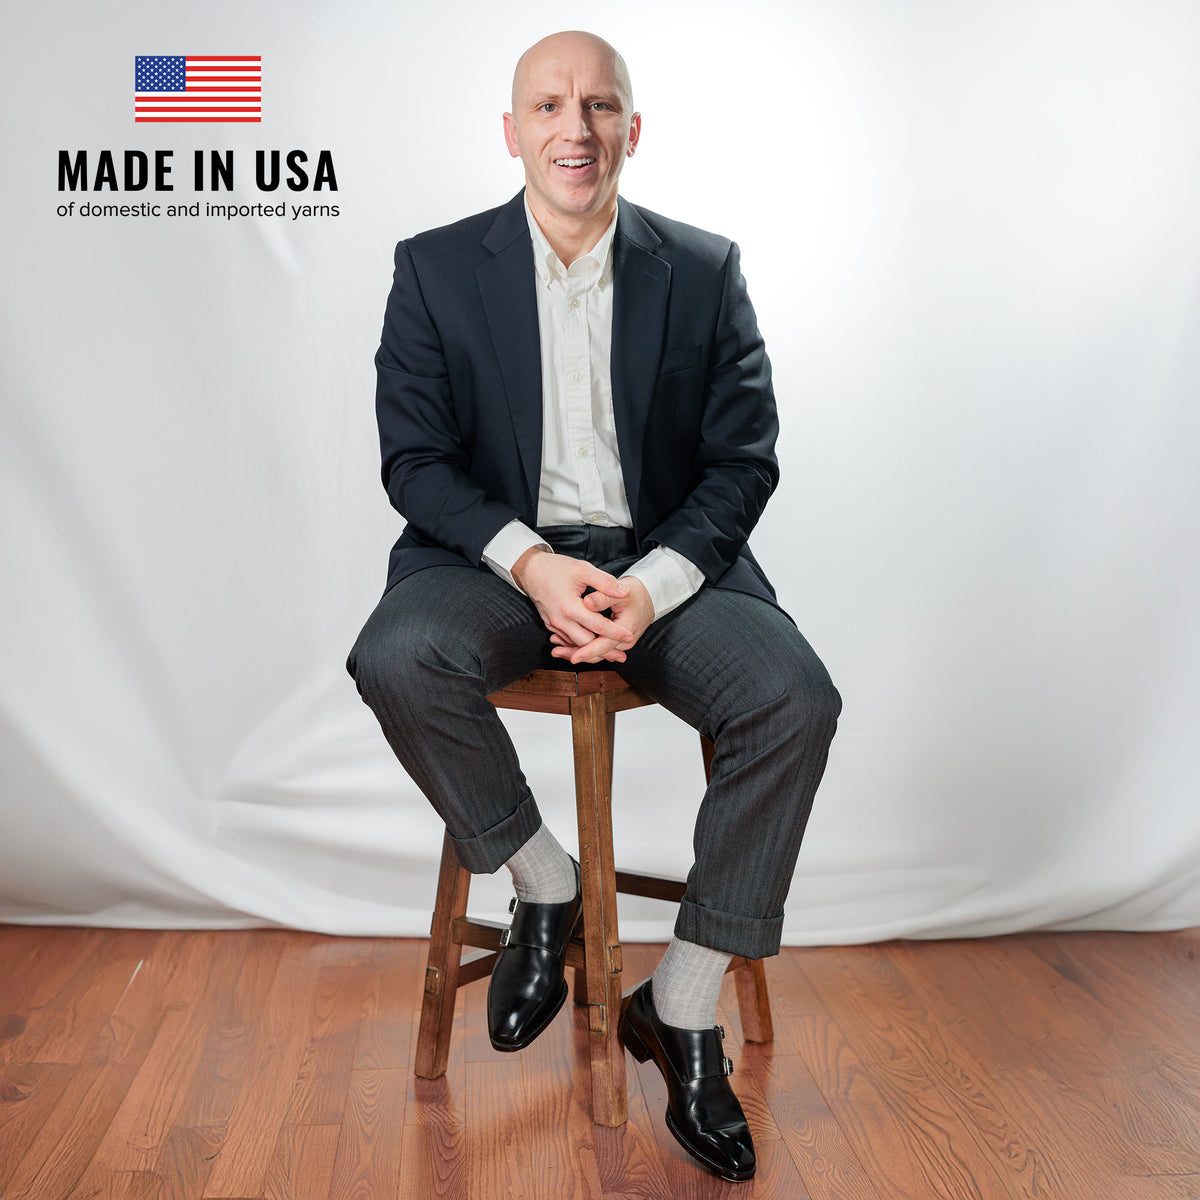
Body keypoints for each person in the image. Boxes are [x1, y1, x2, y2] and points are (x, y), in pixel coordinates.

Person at [348, 30, 840, 1182]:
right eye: (551, 106)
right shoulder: (433, 268)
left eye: (600, 105)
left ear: (632, 129)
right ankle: (546, 886)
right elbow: (415, 461)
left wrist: (652, 584)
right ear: (512, 132)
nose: (577, 127)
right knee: (398, 656)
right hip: (495, 568)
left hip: (663, 569)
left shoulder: (704, 269)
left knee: (794, 699)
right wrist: (529, 563)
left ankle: (684, 1001)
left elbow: (744, 462)